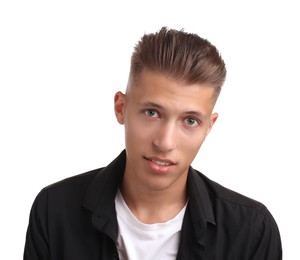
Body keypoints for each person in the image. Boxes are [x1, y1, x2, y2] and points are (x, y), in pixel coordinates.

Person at [24, 27, 282, 260]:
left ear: (209, 127)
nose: (165, 142)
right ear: (121, 108)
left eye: (190, 121)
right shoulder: (53, 211)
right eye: (152, 113)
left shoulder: (251, 231)